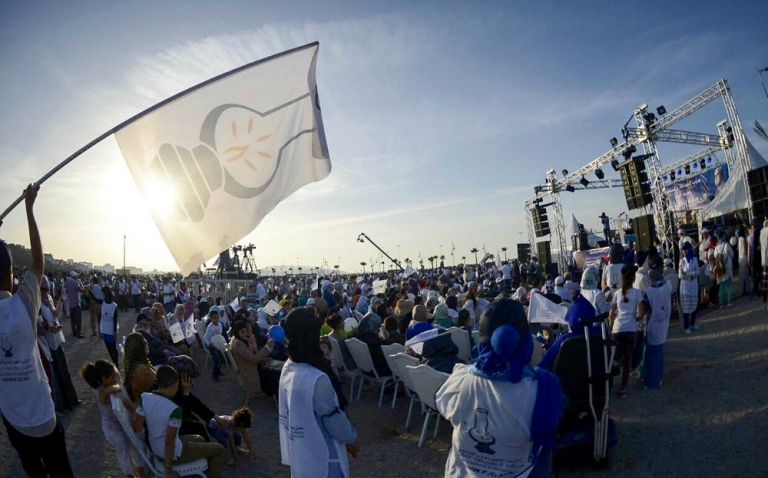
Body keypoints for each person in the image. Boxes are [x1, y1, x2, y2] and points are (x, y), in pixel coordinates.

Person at [436, 299, 562, 477]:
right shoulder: (543, 390)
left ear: (482, 341)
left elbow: (443, 406)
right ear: (525, 341)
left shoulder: (458, 380)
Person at [0, 184, 74, 477]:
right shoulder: (23, 303)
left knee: (34, 471)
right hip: (42, 415)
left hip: (12, 416)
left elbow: (36, 263)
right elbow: (38, 261)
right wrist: (29, 210)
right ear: (10, 274)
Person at [279, 307, 359, 478]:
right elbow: (333, 419)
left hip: (302, 452)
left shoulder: (289, 367)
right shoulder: (316, 378)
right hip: (325, 459)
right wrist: (350, 439)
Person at [131, 365, 227, 478]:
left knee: (199, 438)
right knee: (220, 450)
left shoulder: (144, 397)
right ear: (174, 386)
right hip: (172, 454)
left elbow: (137, 427)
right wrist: (168, 468)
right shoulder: (174, 409)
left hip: (155, 447)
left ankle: (206, 469)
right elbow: (170, 442)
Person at [80, 359, 144, 477]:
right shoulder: (101, 393)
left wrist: (115, 375)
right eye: (112, 377)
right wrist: (117, 385)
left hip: (123, 422)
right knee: (123, 453)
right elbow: (113, 390)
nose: (115, 379)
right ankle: (129, 474)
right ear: (104, 379)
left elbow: (116, 374)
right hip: (113, 430)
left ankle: (141, 471)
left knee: (135, 446)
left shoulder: (109, 382)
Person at [39, 275, 80, 412]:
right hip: (47, 342)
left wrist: (61, 302)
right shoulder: (36, 304)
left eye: (46, 289)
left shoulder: (48, 299)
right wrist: (49, 328)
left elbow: (55, 315)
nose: (45, 292)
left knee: (64, 370)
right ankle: (62, 404)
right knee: (56, 374)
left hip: (56, 339)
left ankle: (71, 400)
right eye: (43, 289)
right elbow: (38, 324)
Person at [609, 264, 645, 399]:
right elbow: (641, 312)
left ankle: (609, 383)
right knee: (627, 361)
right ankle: (623, 389)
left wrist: (613, 323)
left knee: (614, 358)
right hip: (630, 330)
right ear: (633, 278)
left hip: (617, 329)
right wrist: (636, 319)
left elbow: (611, 314)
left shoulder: (617, 293)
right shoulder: (637, 293)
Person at [641, 269, 673, 389]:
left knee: (652, 355)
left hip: (653, 325)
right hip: (663, 321)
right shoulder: (668, 285)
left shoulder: (648, 292)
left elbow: (644, 308)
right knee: (658, 353)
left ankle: (652, 382)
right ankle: (655, 377)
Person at [230, 320, 274, 396]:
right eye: (242, 332)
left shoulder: (240, 340)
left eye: (246, 331)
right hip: (250, 373)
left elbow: (254, 352)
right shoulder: (238, 344)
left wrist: (250, 335)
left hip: (250, 367)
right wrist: (267, 347)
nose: (245, 333)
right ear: (237, 332)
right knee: (275, 374)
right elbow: (254, 359)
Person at [679, 242, 700, 334]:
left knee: (694, 306)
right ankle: (686, 326)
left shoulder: (695, 259)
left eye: (686, 249)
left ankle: (692, 323)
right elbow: (680, 275)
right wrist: (690, 276)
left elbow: (697, 271)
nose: (684, 251)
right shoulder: (682, 261)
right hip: (685, 288)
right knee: (686, 308)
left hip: (693, 286)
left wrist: (689, 274)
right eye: (683, 250)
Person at [100, 286, 120, 366]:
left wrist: (114, 331)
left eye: (102, 293)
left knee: (113, 348)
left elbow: (115, 319)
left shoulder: (113, 305)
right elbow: (95, 299)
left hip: (111, 330)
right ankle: (114, 363)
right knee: (109, 348)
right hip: (105, 329)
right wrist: (89, 292)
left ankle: (116, 364)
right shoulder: (102, 302)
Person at [203, 308, 224, 382]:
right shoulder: (210, 327)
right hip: (211, 345)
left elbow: (219, 335)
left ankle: (218, 371)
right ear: (211, 318)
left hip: (217, 344)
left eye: (217, 317)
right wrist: (209, 344)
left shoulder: (220, 325)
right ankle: (214, 375)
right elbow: (205, 338)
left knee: (220, 358)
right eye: (215, 317)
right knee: (216, 360)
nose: (217, 319)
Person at [714, 231, 734, 308]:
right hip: (727, 267)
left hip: (720, 268)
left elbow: (715, 257)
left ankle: (722, 303)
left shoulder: (716, 248)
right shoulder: (726, 245)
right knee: (729, 284)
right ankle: (729, 301)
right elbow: (732, 254)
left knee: (721, 286)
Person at [64, 271, 84, 338]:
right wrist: (85, 289)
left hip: (70, 303)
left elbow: (66, 291)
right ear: (74, 276)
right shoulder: (74, 282)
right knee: (78, 320)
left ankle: (74, 332)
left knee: (72, 320)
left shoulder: (67, 282)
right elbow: (79, 289)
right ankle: (78, 333)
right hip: (76, 303)